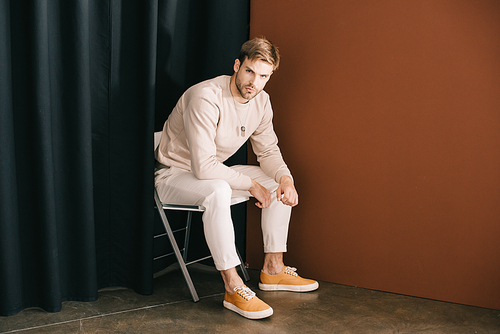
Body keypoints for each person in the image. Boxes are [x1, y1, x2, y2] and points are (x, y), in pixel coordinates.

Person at [154, 37, 318, 320]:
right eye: (249, 71)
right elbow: (204, 168)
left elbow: (267, 150)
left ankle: (273, 270)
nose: (254, 81)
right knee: (218, 188)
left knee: (275, 181)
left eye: (263, 76)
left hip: (211, 172)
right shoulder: (205, 96)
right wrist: (250, 185)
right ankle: (232, 286)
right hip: (173, 176)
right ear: (237, 65)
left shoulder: (262, 102)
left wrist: (286, 179)